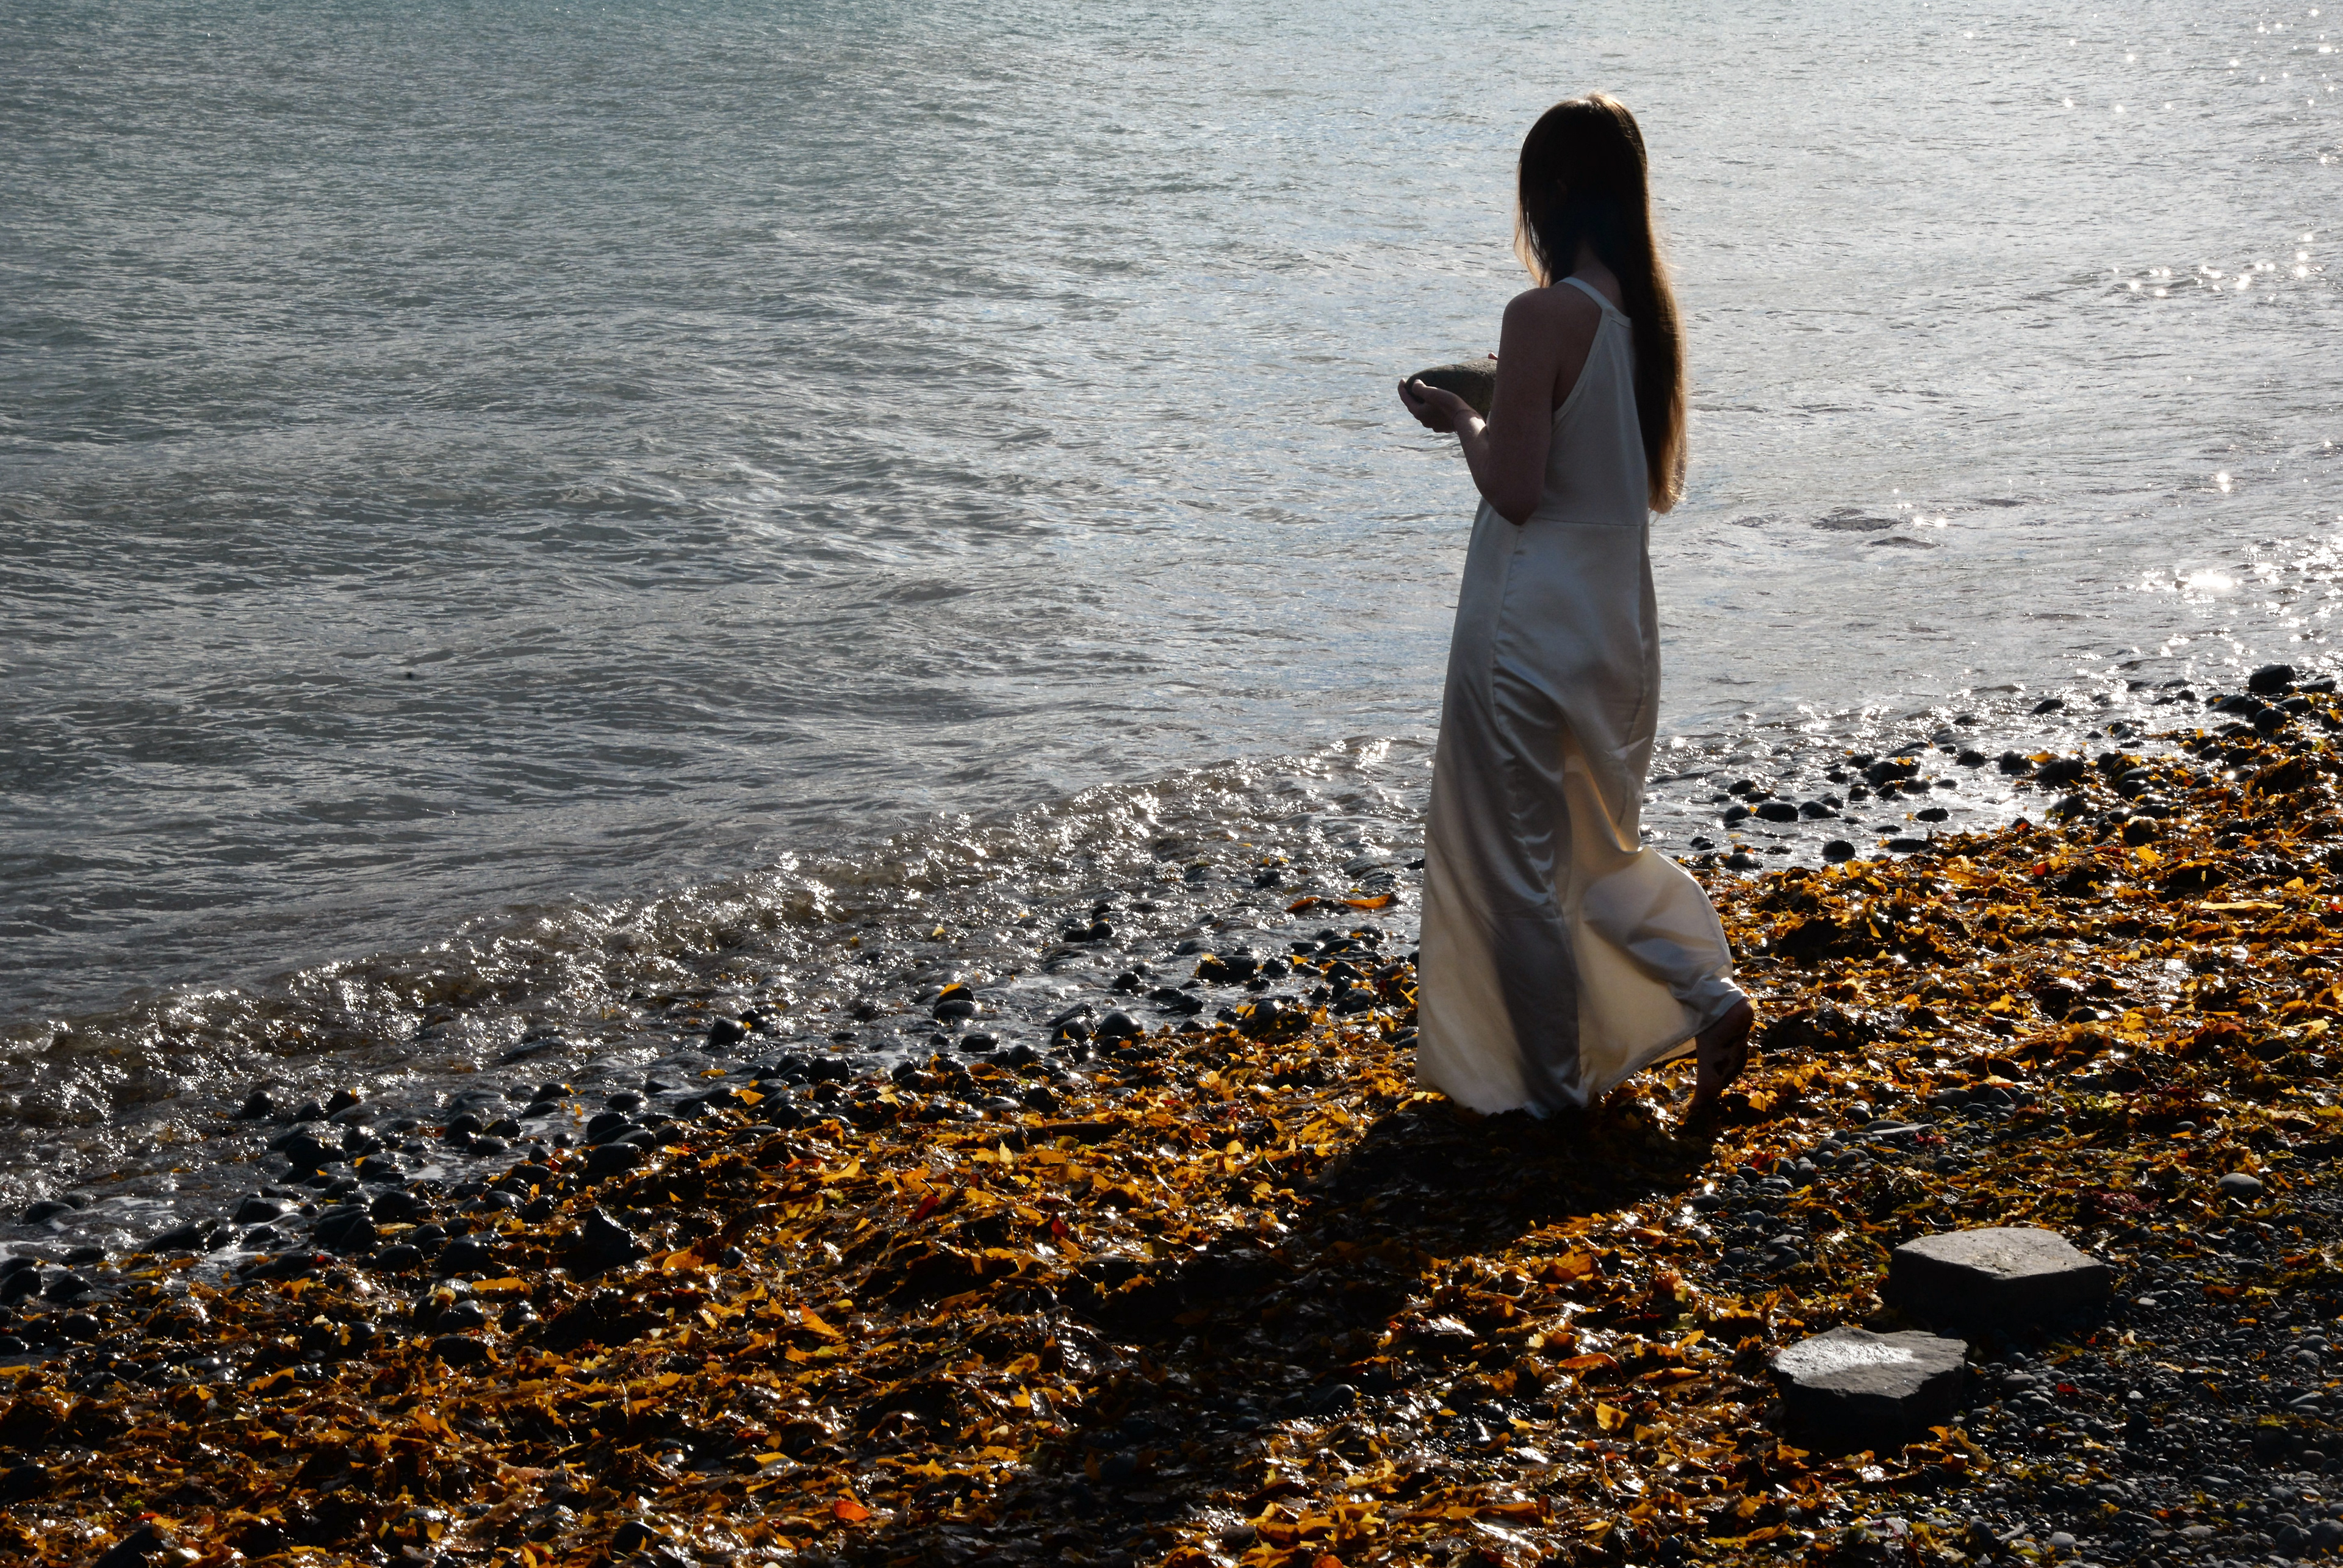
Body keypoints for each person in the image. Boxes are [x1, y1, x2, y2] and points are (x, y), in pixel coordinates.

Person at [1397, 92, 1754, 1121]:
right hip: (1615, 624)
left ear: (1554, 191)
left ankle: (1553, 1098)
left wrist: (1461, 415)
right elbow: (1609, 468)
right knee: (1594, 846)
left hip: (1526, 623)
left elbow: (1515, 491)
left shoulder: (1541, 316)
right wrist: (1507, 396)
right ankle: (1704, 993)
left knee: (1518, 866)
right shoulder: (1646, 323)